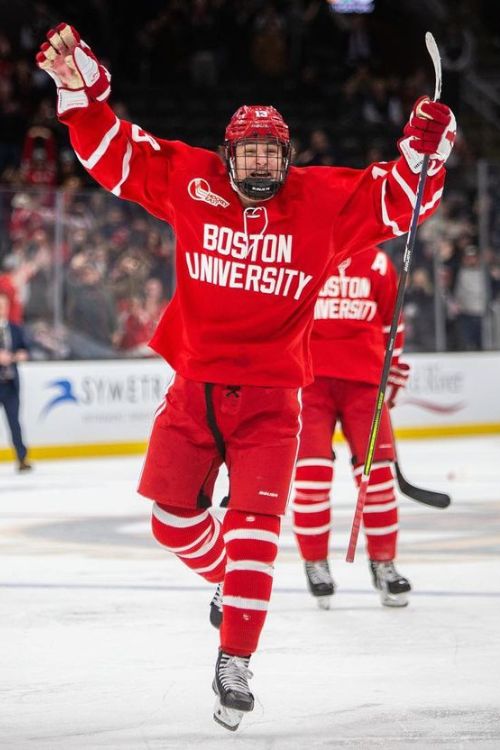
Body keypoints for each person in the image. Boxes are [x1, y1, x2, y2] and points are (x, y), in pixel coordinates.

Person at [36, 23, 456, 731]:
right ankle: (231, 582)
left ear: (287, 155)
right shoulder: (189, 177)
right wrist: (76, 85)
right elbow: (112, 152)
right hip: (194, 385)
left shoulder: (323, 202)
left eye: (270, 149)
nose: (259, 159)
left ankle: (236, 658)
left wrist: (426, 151)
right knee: (172, 524)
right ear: (228, 153)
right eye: (248, 148)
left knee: (259, 528)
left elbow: (402, 199)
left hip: (273, 398)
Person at [289, 247, 411, 611]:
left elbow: (393, 325)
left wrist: (395, 371)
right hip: (309, 382)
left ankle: (383, 563)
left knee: (379, 481)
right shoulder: (305, 250)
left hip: (364, 382)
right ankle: (315, 563)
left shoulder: (377, 263)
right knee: (311, 479)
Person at [0, 292, 32, 472]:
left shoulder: (15, 328)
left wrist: (21, 354)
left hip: (11, 384)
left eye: (3, 306)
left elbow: (26, 349)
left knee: (14, 422)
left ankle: (22, 458)